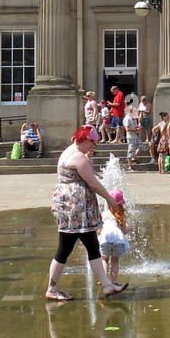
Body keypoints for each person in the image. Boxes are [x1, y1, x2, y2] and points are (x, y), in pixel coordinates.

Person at [46, 126, 127, 300]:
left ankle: (106, 285)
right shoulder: (77, 156)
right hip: (75, 209)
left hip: (74, 208)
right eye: (93, 143)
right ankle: (52, 289)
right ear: (85, 139)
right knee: (65, 248)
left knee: (91, 245)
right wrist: (110, 200)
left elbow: (84, 175)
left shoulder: (70, 152)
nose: (93, 147)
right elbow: (94, 185)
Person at [98, 194, 129, 287]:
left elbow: (98, 230)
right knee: (115, 261)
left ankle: (103, 280)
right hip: (118, 240)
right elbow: (123, 231)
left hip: (106, 238)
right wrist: (130, 228)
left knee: (104, 259)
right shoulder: (120, 215)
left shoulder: (103, 214)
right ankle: (114, 281)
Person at [122, 106, 141, 171]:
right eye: (133, 110)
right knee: (130, 151)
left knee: (138, 148)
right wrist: (136, 130)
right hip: (131, 137)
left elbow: (130, 128)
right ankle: (130, 167)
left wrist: (136, 128)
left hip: (133, 136)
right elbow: (127, 129)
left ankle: (133, 159)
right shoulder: (128, 119)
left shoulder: (130, 118)